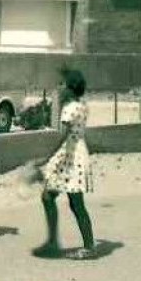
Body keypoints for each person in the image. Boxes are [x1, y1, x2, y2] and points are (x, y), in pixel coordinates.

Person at [37, 68, 96, 260]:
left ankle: (87, 247)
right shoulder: (82, 106)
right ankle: (55, 241)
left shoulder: (69, 108)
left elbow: (63, 135)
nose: (60, 87)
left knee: (73, 203)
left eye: (62, 84)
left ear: (71, 88)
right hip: (75, 154)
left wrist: (47, 157)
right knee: (54, 198)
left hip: (71, 157)